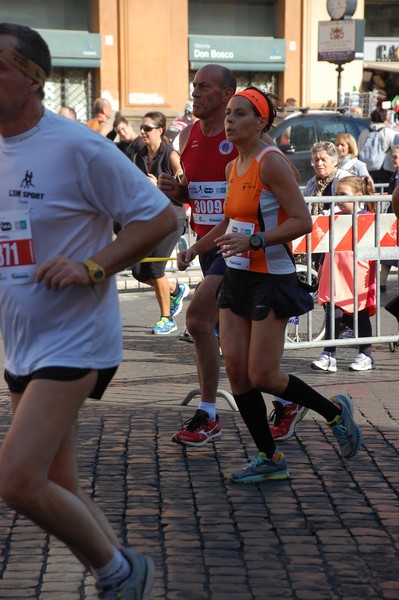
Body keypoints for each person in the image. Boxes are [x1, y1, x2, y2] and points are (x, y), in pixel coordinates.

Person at [0, 22, 177, 599]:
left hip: (75, 340)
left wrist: (93, 266)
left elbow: (159, 218)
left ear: (31, 80)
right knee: (58, 480)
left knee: (17, 480)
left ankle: (118, 576)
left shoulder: (79, 146)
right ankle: (125, 571)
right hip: (23, 338)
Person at [176, 86, 362, 483]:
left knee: (263, 375)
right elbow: (228, 221)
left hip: (270, 279)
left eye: (240, 114)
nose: (229, 120)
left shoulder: (271, 162)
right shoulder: (233, 167)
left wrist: (256, 240)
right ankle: (270, 457)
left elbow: (301, 221)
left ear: (261, 121)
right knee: (238, 374)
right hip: (236, 277)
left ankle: (333, 412)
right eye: (228, 113)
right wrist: (196, 249)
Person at [158, 64, 238, 445]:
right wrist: (175, 191)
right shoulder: (188, 134)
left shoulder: (240, 133)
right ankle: (288, 398)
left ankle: (208, 413)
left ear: (226, 94)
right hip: (208, 246)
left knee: (197, 320)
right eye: (194, 87)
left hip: (237, 247)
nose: (195, 93)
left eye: (203, 87)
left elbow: (243, 201)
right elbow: (195, 192)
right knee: (236, 342)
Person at [311, 176, 377, 373]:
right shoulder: (334, 217)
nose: (338, 198)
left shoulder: (368, 219)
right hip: (335, 272)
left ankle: (366, 354)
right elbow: (326, 244)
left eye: (343, 195)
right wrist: (322, 264)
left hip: (358, 273)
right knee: (333, 312)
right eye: (336, 194)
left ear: (359, 196)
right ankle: (329, 354)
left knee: (361, 314)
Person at [133, 111, 189, 334]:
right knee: (138, 271)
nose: (143, 132)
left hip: (172, 218)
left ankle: (167, 319)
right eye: (142, 128)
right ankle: (175, 290)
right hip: (149, 218)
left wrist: (160, 187)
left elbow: (186, 188)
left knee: (156, 269)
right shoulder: (139, 155)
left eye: (147, 128)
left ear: (160, 130)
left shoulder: (171, 156)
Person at [302, 141, 350, 215]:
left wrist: (322, 216)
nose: (319, 164)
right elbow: (302, 204)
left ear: (335, 161)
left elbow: (347, 205)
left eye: (323, 159)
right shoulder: (312, 183)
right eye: (316, 160)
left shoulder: (344, 178)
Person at [357, 107, 396, 184]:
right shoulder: (389, 132)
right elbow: (395, 150)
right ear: (385, 118)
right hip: (385, 170)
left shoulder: (364, 133)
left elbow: (359, 149)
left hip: (366, 169)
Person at [380, 145, 399, 292]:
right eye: (392, 156)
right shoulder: (395, 174)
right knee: (386, 255)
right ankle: (381, 283)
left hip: (395, 218)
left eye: (396, 156)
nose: (393, 159)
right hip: (392, 218)